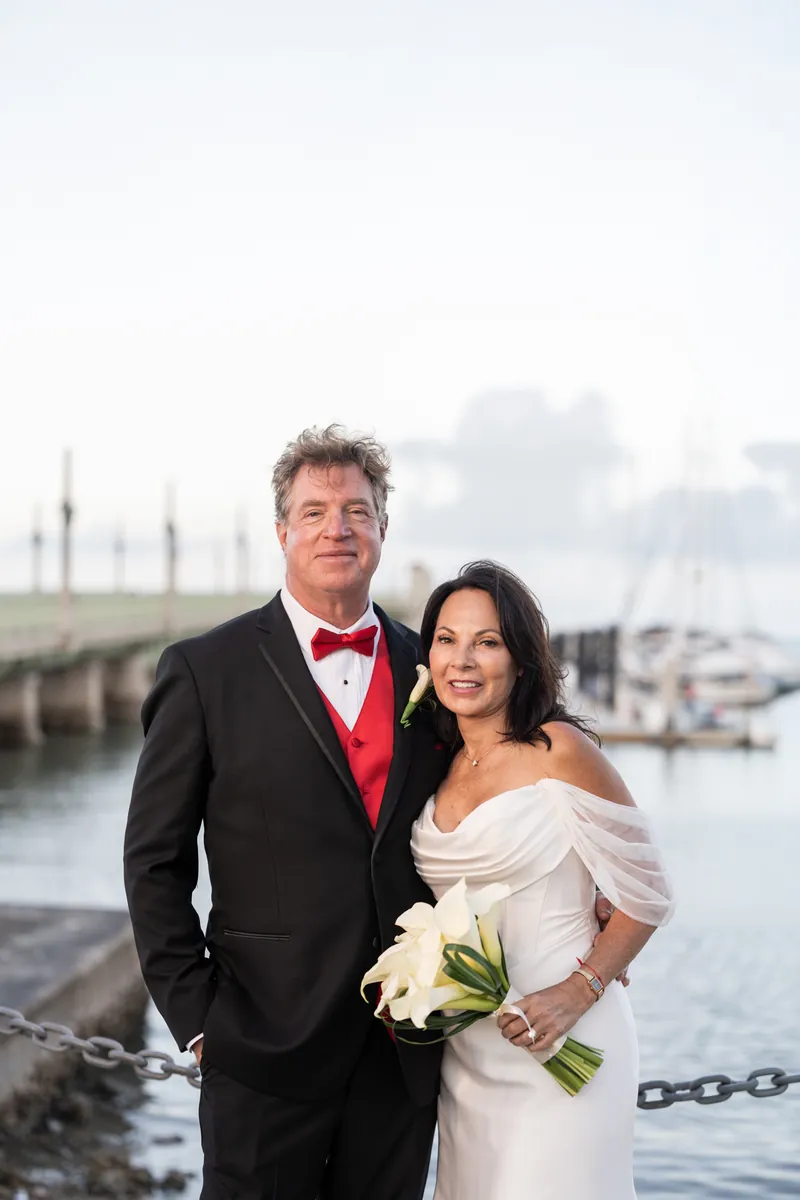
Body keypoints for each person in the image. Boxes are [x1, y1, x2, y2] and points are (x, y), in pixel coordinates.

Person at [123, 426, 617, 1200]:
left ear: (383, 528)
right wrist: (199, 1018)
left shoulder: (436, 665)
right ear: (282, 531)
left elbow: (524, 769)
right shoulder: (204, 671)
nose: (338, 529)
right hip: (261, 1046)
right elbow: (154, 862)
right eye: (315, 512)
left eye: (357, 510)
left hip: (406, 1050)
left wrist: (593, 905)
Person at [410, 560, 674, 1200]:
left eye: (487, 642)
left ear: (522, 660)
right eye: (446, 639)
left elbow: (648, 894)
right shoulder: (437, 763)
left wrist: (577, 992)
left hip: (567, 1037)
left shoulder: (560, 751)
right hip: (469, 1052)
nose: (462, 660)